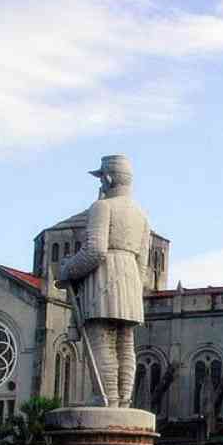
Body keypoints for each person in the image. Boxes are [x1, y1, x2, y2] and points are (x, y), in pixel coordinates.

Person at [59, 155, 152, 407]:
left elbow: (95, 250)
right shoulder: (141, 214)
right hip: (131, 277)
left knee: (101, 339)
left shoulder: (102, 207)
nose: (100, 183)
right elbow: (144, 262)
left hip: (104, 276)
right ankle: (123, 400)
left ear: (108, 178)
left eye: (101, 178)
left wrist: (67, 268)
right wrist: (134, 287)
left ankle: (106, 396)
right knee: (125, 343)